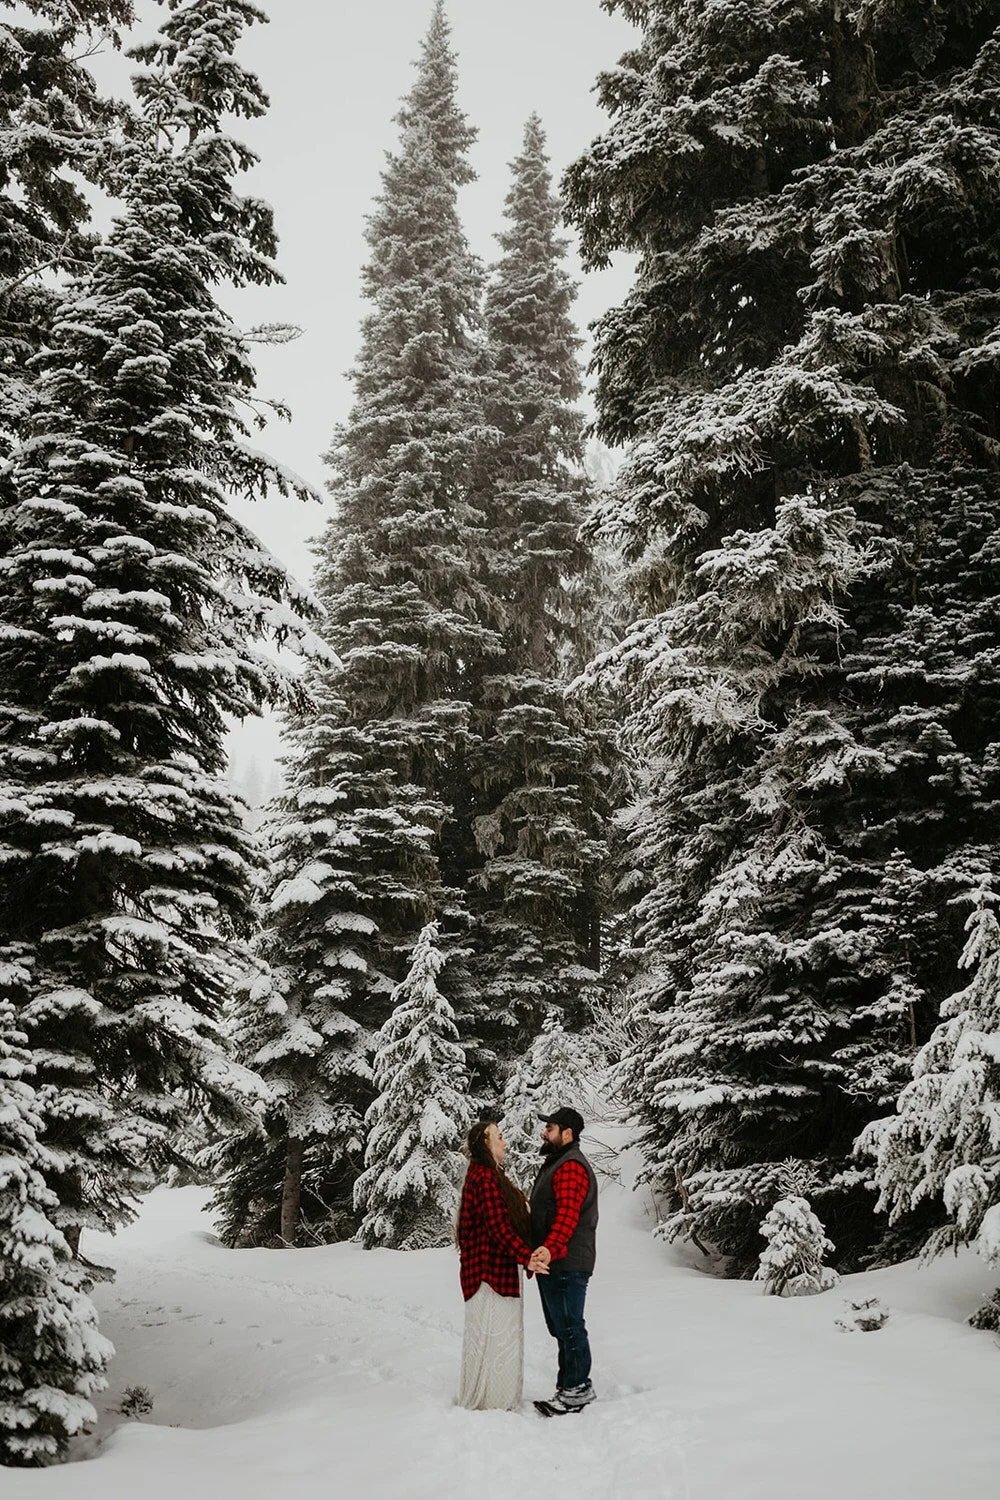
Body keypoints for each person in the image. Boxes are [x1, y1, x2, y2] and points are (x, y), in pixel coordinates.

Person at [455, 1118, 549, 1410]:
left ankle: (494, 1398)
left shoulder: (488, 1174)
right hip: (489, 1273)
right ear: (485, 1143)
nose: (505, 1143)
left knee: (495, 1336)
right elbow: (498, 1228)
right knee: (494, 1337)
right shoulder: (484, 1177)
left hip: (493, 1270)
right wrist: (527, 1257)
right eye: (499, 1137)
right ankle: (492, 1401)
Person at [529, 1106, 599, 1414]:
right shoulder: (556, 1163)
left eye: (551, 1128)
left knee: (570, 1325)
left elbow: (567, 1216)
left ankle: (577, 1389)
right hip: (557, 1261)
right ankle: (569, 1386)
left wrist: (550, 1248)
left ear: (567, 1133)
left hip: (566, 1262)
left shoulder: (570, 1166)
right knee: (561, 1326)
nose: (545, 1133)